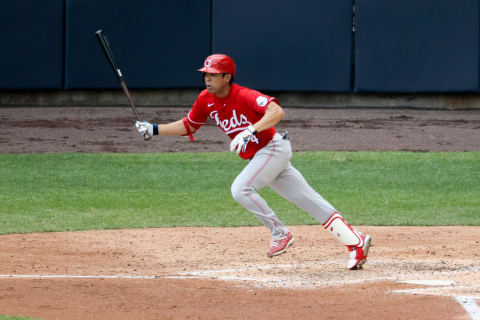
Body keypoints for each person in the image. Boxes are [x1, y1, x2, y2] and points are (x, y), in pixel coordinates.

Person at [135, 54, 371, 270]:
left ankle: (280, 233)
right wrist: (154, 129)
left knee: (241, 189)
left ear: (227, 77)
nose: (207, 79)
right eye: (206, 74)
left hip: (272, 148)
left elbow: (277, 111)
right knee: (309, 201)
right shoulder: (205, 100)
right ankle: (355, 241)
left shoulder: (244, 95)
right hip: (265, 157)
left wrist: (251, 130)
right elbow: (188, 125)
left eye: (213, 74)